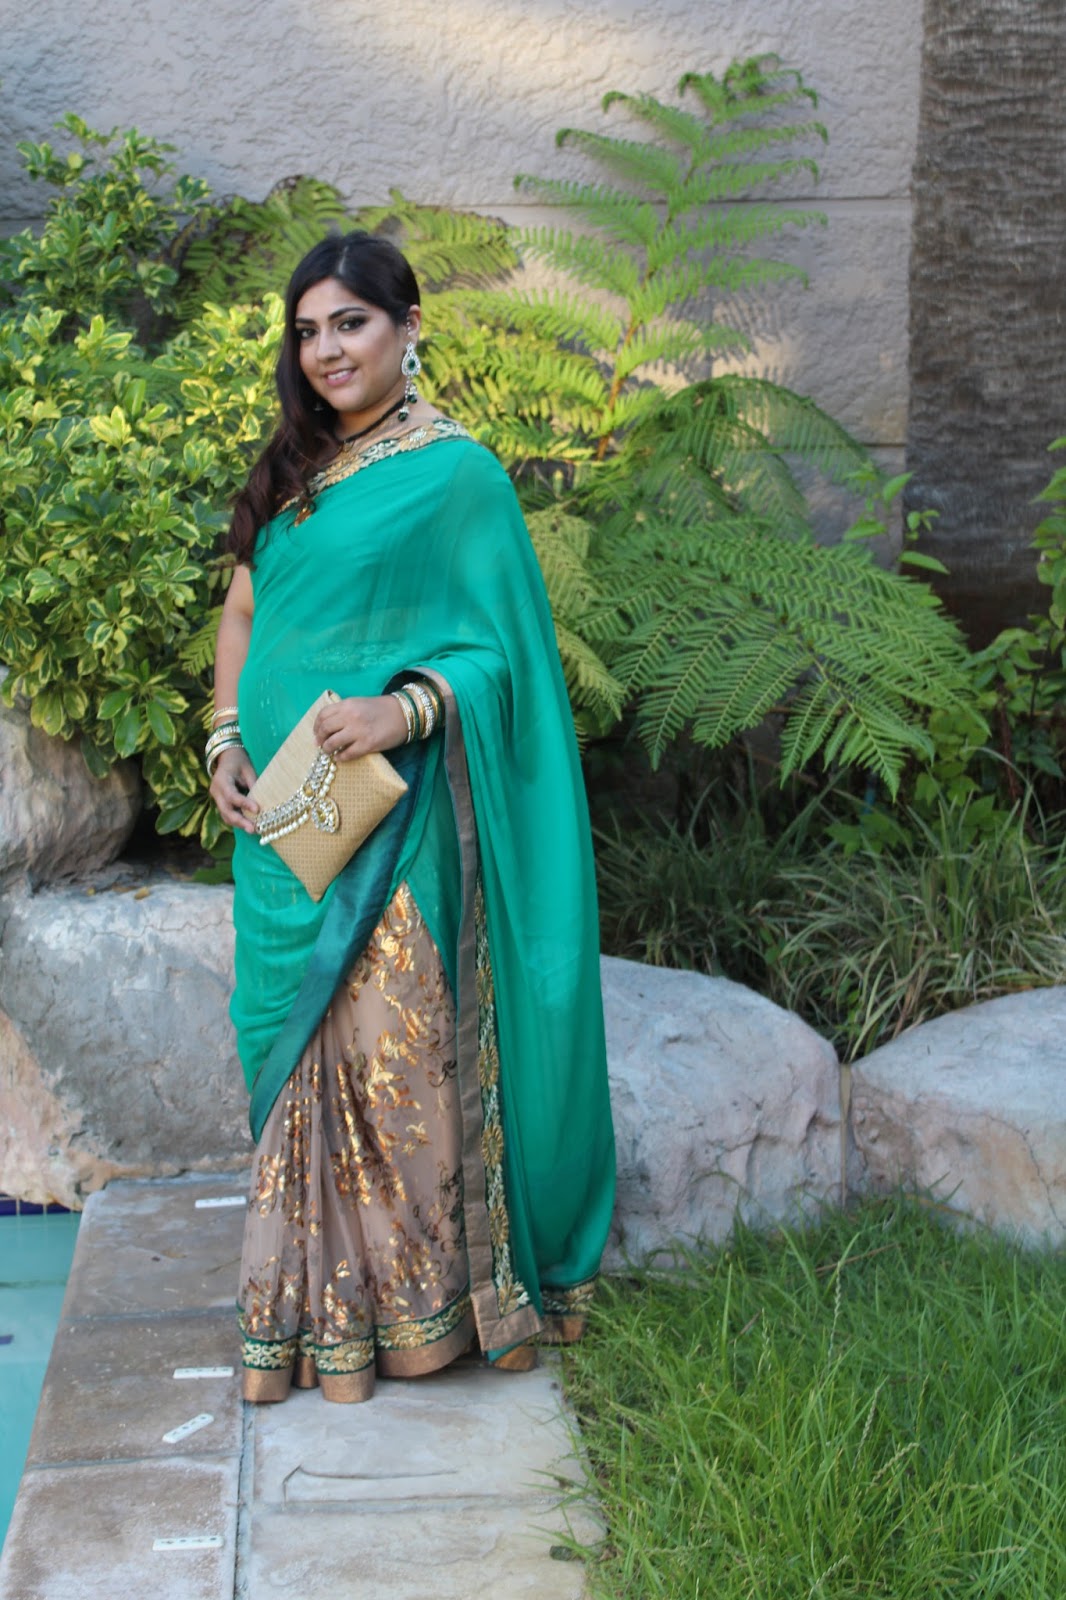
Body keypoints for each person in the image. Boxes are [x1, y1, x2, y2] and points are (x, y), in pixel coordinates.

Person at [209, 231, 616, 1404]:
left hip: (388, 823)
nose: (326, 350)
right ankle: (311, 1315)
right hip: (283, 822)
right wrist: (225, 738)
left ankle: (414, 1312)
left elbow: (506, 655)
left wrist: (403, 708)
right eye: (308, 331)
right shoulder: (294, 463)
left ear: (409, 327)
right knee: (292, 1048)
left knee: (388, 1057)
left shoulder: (455, 476)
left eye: (351, 323)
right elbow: (242, 613)